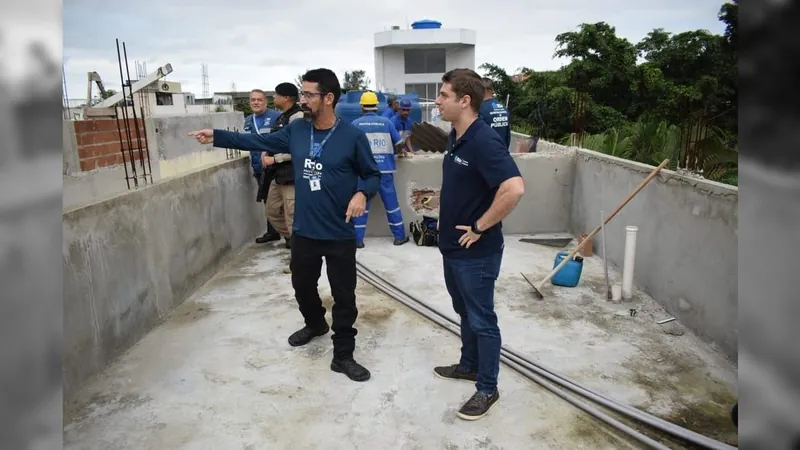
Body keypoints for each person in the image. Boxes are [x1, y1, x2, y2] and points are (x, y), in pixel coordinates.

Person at [188, 68, 381, 383]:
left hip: (339, 232)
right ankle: (316, 323)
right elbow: (256, 139)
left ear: (328, 98)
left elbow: (372, 174)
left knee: (344, 295)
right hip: (304, 230)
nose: (302, 99)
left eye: (308, 94)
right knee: (302, 287)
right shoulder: (296, 131)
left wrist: (361, 193)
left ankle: (343, 354)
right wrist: (217, 136)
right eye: (301, 94)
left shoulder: (352, 136)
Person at [432, 68, 525, 420]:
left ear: (464, 101)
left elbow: (514, 188)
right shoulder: (456, 136)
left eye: (443, 95)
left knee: (483, 320)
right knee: (464, 312)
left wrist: (480, 225)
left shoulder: (484, 140)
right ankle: (469, 365)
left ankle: (487, 387)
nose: (437, 102)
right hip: (453, 249)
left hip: (476, 253)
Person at [351, 91, 410, 248]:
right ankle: (399, 237)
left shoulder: (355, 124)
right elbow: (399, 144)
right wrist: (400, 152)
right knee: (392, 205)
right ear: (376, 106)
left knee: (361, 207)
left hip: (363, 173)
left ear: (362, 107)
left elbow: (349, 149)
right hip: (385, 171)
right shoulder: (386, 122)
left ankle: (358, 241)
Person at [261, 82, 305, 255]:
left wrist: (275, 159)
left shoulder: (298, 117)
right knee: (272, 211)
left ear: (286, 98)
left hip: (291, 177)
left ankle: (299, 256)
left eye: (276, 94)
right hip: (278, 176)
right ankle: (295, 241)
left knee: (292, 217)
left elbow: (301, 150)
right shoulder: (282, 117)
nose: (273, 97)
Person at [243, 89, 282, 243]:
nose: (256, 103)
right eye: (253, 100)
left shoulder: (276, 117)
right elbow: (245, 140)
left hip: (275, 166)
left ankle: (288, 236)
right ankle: (272, 232)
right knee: (267, 201)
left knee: (281, 202)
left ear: (266, 102)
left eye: (259, 100)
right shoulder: (248, 120)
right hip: (259, 167)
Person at [478, 78, 512, 150]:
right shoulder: (503, 108)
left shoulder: (480, 109)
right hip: (502, 152)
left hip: (486, 152)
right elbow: (508, 135)